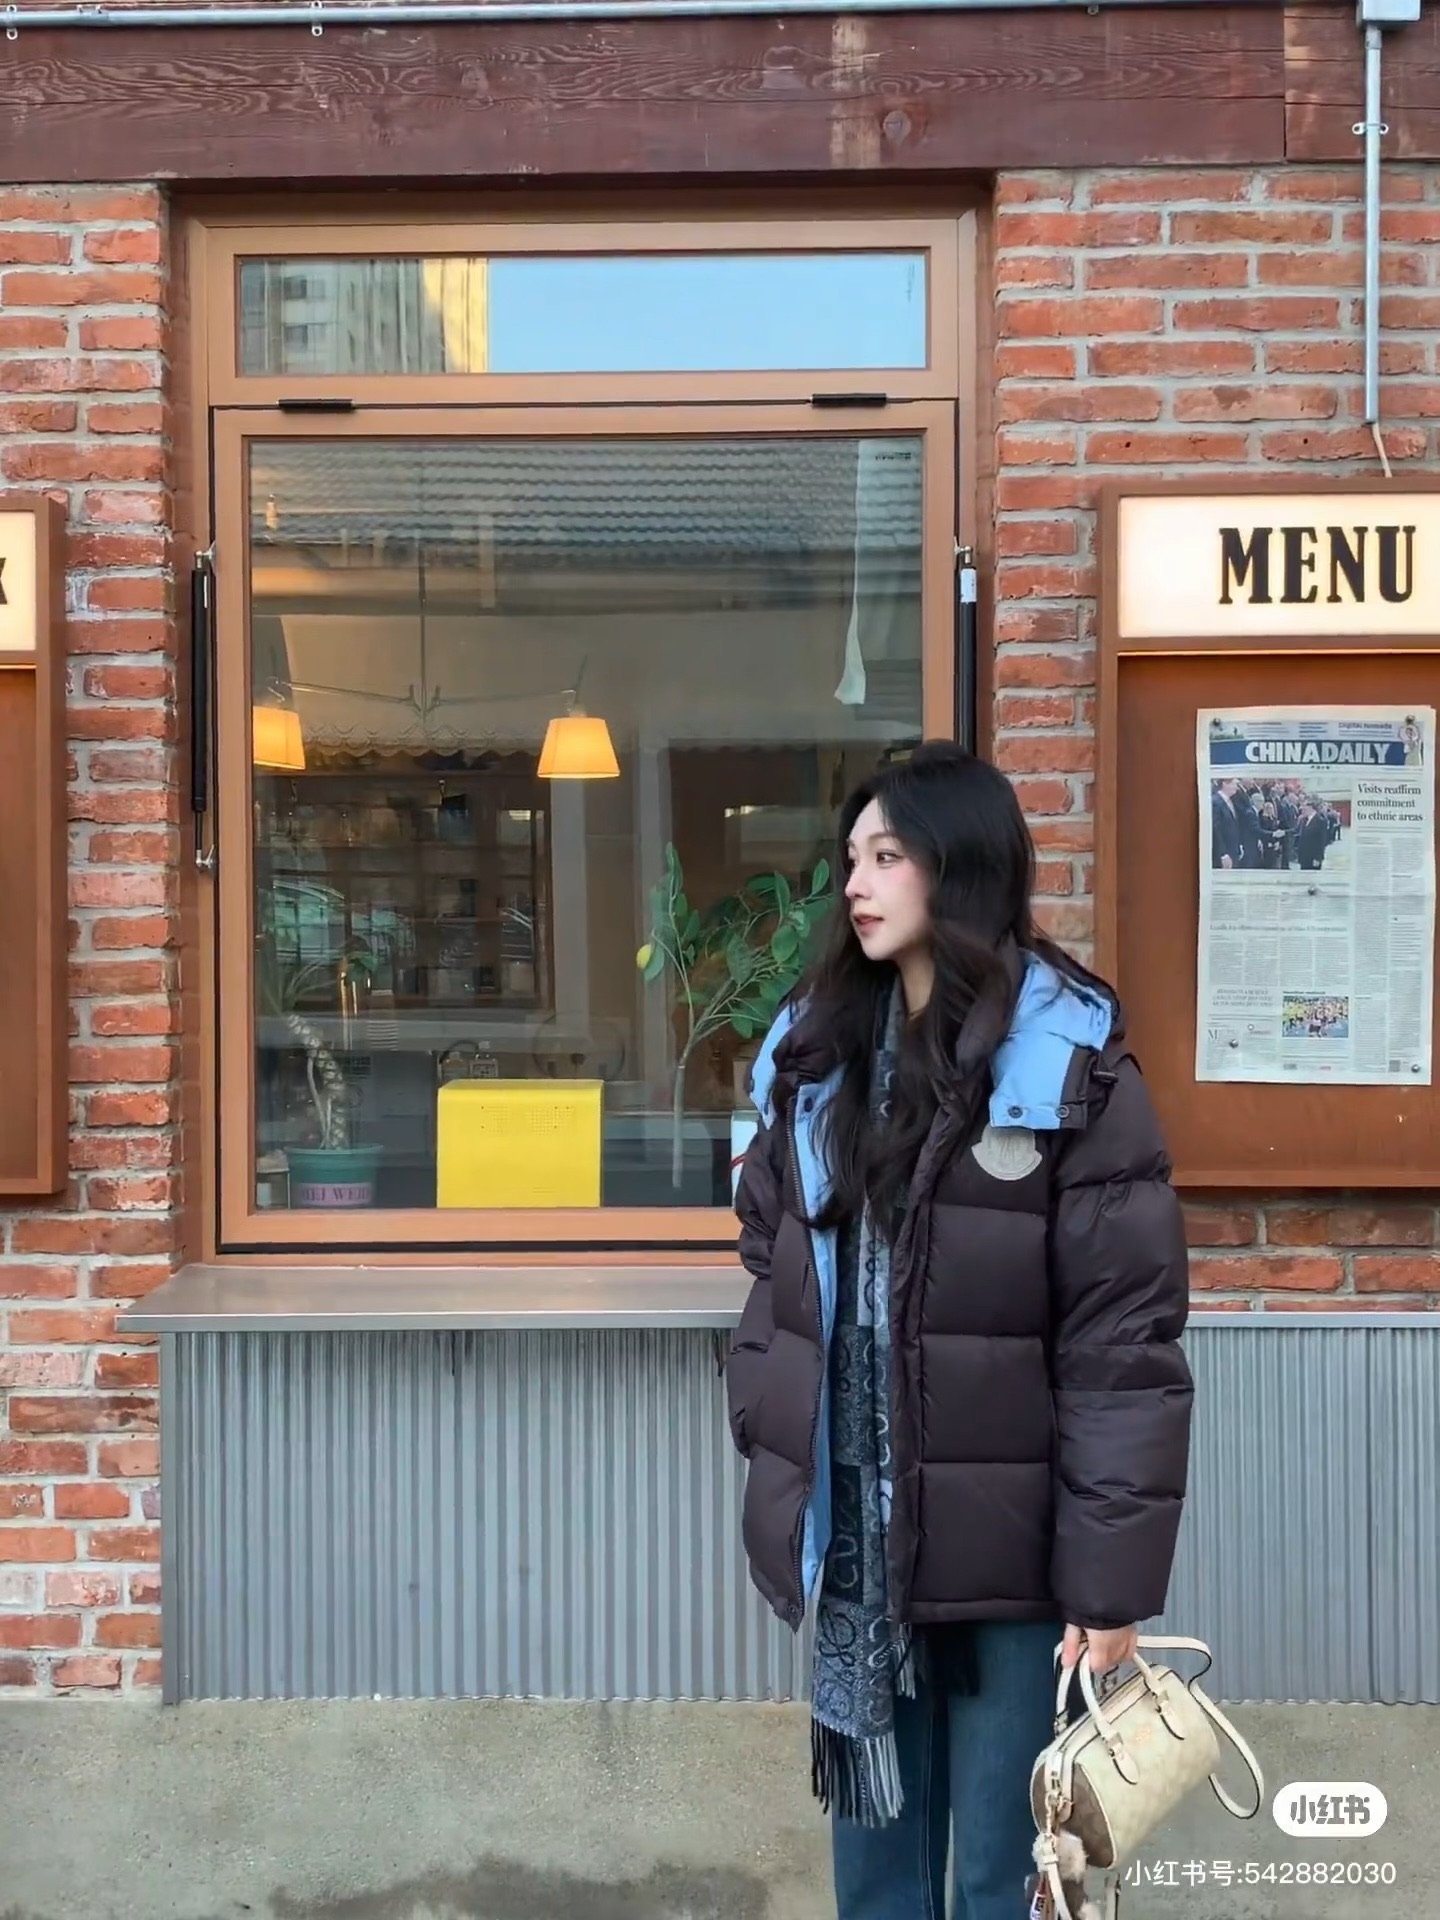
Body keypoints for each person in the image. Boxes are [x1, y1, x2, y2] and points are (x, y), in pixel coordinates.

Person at [725, 742, 1193, 1920]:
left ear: (961, 865)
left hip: (1011, 1556)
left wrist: (1109, 1588)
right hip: (859, 1543)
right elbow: (771, 1259)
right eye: (851, 859)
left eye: (887, 856)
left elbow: (1121, 1346)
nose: (855, 884)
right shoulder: (816, 1054)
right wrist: (770, 1406)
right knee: (877, 1881)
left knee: (1004, 1872)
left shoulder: (1069, 1062)